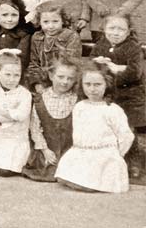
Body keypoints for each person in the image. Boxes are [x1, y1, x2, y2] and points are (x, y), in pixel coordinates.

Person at [55, 61, 134, 193]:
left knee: (94, 178)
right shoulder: (79, 106)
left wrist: (116, 155)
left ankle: (96, 180)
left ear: (107, 85)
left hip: (104, 154)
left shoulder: (112, 110)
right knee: (64, 177)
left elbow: (126, 136)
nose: (92, 89)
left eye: (97, 85)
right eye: (88, 84)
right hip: (81, 151)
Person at [90, 14, 145, 179]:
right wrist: (98, 63)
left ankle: (134, 160)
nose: (115, 32)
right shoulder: (101, 45)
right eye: (111, 28)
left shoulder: (133, 48)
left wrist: (115, 70)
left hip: (131, 94)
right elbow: (91, 68)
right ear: (104, 30)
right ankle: (109, 160)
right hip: (108, 93)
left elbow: (135, 72)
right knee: (107, 127)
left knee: (128, 128)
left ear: (128, 32)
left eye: (121, 29)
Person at [22, 57, 78, 182]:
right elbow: (35, 128)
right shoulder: (41, 99)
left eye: (70, 78)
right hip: (47, 148)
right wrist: (45, 150)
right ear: (51, 75)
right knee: (46, 169)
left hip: (68, 148)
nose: (65, 82)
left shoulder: (76, 99)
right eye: (61, 77)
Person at [0, 49, 32, 176]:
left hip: (16, 139)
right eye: (7, 74)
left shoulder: (24, 94)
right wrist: (8, 118)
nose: (12, 79)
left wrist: (0, 117)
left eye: (16, 75)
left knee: (5, 171)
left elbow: (22, 114)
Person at [26, 0, 82, 94]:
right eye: (46, 22)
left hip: (64, 80)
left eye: (55, 21)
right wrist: (37, 83)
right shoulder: (36, 37)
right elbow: (34, 64)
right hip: (42, 81)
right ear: (39, 22)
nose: (50, 26)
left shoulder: (71, 36)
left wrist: (56, 84)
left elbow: (71, 64)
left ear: (63, 21)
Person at [0, 0, 32, 83]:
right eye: (4, 15)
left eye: (14, 15)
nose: (9, 19)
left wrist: (0, 54)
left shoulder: (24, 34)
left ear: (20, 16)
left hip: (15, 71)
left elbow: (23, 57)